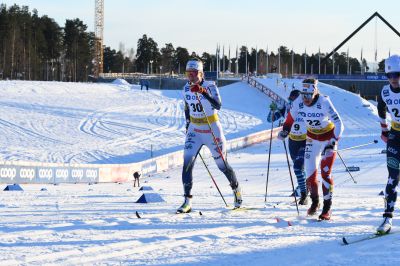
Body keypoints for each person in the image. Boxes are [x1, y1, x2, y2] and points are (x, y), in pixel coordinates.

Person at [177, 59, 242, 213]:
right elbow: (187, 107)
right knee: (187, 164)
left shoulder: (211, 86)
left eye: (193, 74)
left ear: (201, 74)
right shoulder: (185, 88)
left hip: (211, 128)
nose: (191, 77)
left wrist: (203, 92)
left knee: (222, 165)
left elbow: (218, 105)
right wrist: (187, 123)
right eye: (188, 74)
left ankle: (237, 191)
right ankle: (187, 201)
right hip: (195, 130)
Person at [278, 78, 344, 220]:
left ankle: (327, 208)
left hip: (328, 139)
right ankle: (315, 202)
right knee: (310, 174)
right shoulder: (298, 102)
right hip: (312, 139)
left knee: (325, 173)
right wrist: (285, 130)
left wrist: (333, 141)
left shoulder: (324, 102)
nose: (306, 98)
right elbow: (290, 118)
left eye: (308, 95)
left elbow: (339, 123)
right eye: (303, 94)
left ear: (315, 92)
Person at [268, 90, 308, 205]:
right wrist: (272, 110)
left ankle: (303, 192)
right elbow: (270, 119)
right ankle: (302, 187)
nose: (291, 101)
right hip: (293, 141)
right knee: (299, 168)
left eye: (293, 99)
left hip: (306, 140)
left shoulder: (307, 107)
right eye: (290, 99)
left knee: (298, 167)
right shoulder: (286, 108)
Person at [376, 55, 400, 234]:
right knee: (392, 177)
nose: (394, 79)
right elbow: (381, 108)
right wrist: (384, 129)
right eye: (390, 75)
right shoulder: (384, 91)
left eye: (398, 74)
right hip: (395, 136)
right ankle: (387, 217)